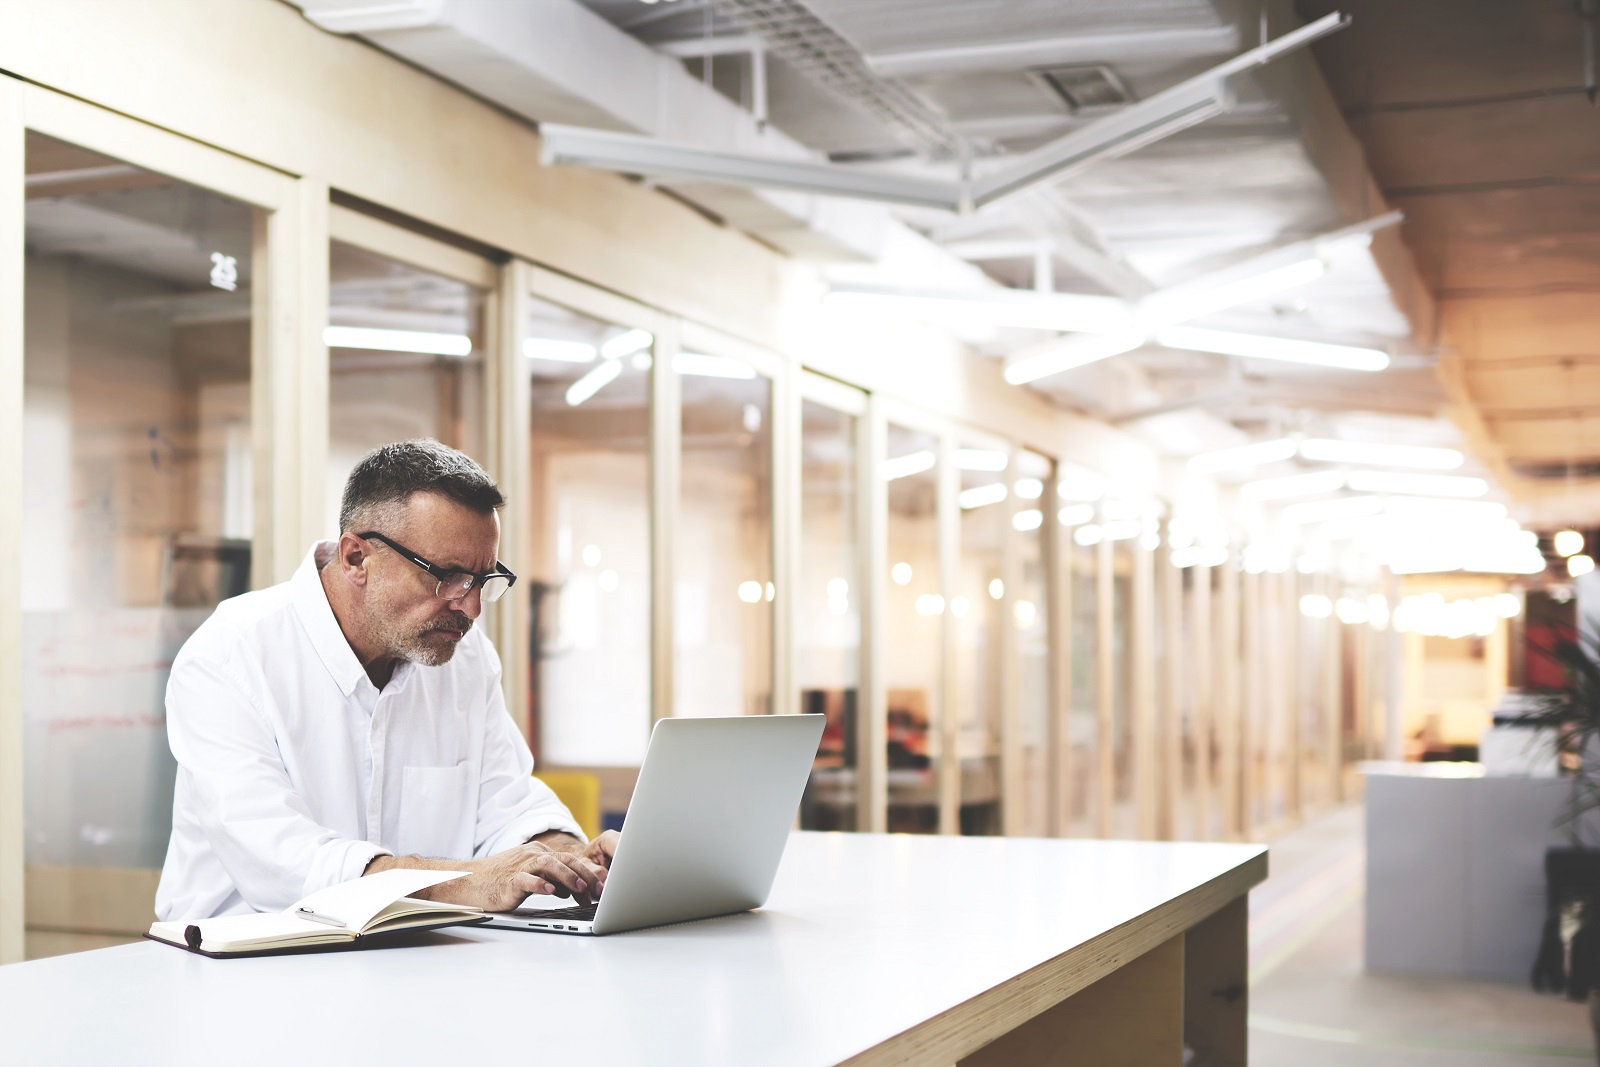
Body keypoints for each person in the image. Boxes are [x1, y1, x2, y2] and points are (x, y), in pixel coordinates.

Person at [155, 439, 617, 920]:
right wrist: (467, 882)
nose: (471, 608)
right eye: (449, 576)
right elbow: (283, 862)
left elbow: (507, 807)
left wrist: (571, 860)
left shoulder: (466, 656)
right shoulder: (228, 657)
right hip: (244, 955)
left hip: (412, 954)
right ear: (356, 558)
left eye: (482, 580)